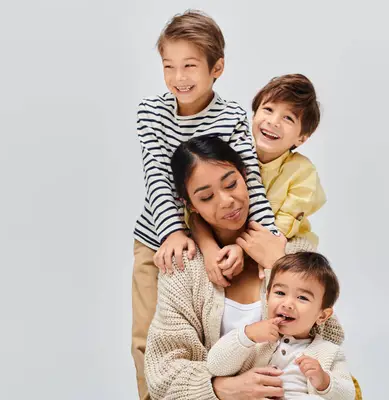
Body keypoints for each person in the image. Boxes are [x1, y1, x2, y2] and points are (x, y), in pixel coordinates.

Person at [131, 10, 276, 399]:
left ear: (217, 68)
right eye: (169, 66)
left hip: (224, 232)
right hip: (161, 237)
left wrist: (268, 242)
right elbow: (158, 178)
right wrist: (175, 232)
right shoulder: (152, 112)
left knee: (215, 331)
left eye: (190, 66)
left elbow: (250, 184)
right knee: (149, 339)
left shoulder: (231, 117)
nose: (179, 77)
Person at [143, 136, 346, 399]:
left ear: (245, 176)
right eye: (206, 197)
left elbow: (330, 337)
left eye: (231, 184)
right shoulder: (184, 268)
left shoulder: (292, 251)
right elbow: (162, 373)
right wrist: (219, 388)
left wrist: (278, 264)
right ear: (190, 204)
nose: (226, 201)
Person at [186, 73, 327, 293]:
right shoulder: (231, 156)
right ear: (253, 115)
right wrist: (210, 248)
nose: (273, 122)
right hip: (228, 243)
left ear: (301, 138)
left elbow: (277, 233)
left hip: (280, 244)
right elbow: (195, 210)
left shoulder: (302, 172)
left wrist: (241, 249)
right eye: (268, 110)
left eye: (288, 118)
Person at [207, 252, 356, 399]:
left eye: (302, 297)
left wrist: (324, 381)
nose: (287, 304)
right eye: (280, 293)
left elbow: (348, 395)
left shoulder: (329, 351)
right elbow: (215, 366)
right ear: (267, 297)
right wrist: (246, 336)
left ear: (322, 316)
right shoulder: (255, 342)